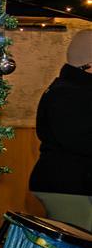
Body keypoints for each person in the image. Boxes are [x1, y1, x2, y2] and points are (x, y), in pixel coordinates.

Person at [29, 28, 92, 231]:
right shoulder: (69, 93)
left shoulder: (73, 89)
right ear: (88, 65)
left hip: (72, 183)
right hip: (70, 185)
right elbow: (79, 139)